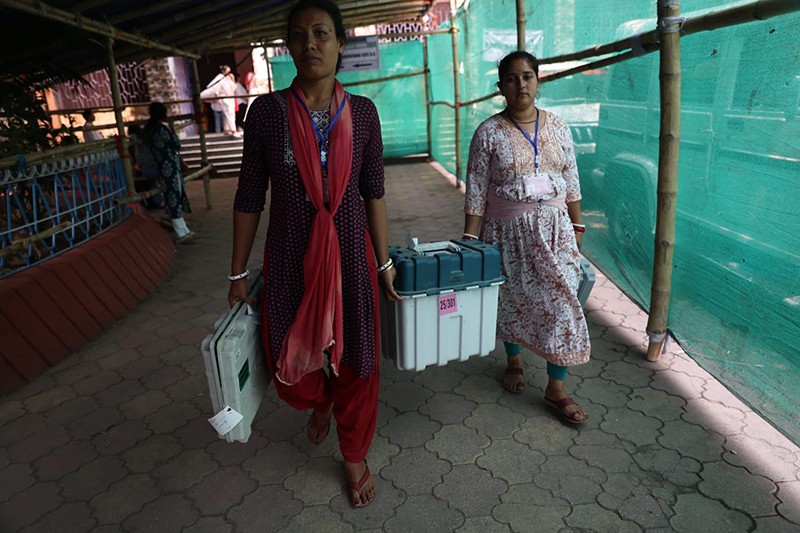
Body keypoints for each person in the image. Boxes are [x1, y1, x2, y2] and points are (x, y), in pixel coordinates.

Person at [228, 0, 401, 508]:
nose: (310, 44)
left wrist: (384, 262)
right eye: (299, 35)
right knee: (291, 372)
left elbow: (374, 194)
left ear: (341, 43)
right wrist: (237, 274)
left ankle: (354, 456)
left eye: (321, 33)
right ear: (288, 46)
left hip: (351, 262)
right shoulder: (266, 113)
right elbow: (249, 196)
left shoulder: (363, 113)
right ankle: (320, 401)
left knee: (358, 364)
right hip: (288, 262)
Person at [463, 50, 591, 424]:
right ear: (501, 86)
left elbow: (571, 179)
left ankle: (556, 388)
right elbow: (476, 190)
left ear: (538, 80)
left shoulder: (559, 126)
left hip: (556, 231)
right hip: (506, 233)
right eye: (512, 78)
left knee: (564, 301)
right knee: (512, 297)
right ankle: (514, 360)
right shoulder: (488, 132)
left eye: (527, 76)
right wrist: (470, 242)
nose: (521, 84)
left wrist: (577, 227)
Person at [142, 102, 195, 243]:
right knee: (174, 197)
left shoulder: (148, 129)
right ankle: (181, 232)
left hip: (161, 165)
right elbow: (177, 144)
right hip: (170, 165)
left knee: (172, 196)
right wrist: (172, 129)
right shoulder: (162, 129)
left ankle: (183, 229)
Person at [202, 65, 237, 135]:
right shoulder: (220, 78)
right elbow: (214, 88)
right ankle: (233, 130)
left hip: (230, 98)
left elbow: (233, 88)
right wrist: (218, 96)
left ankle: (227, 129)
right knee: (229, 114)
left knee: (230, 114)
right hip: (224, 98)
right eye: (228, 71)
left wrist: (233, 79)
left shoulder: (228, 78)